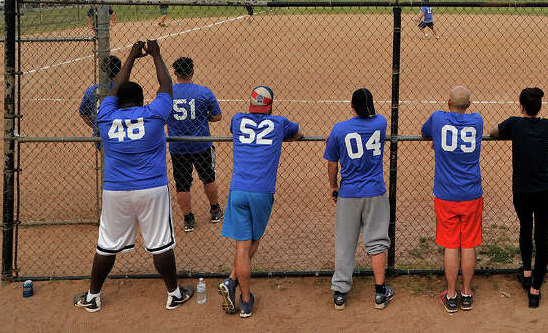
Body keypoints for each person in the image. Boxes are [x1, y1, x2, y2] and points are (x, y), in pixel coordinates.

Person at [74, 40, 194, 313]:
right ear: (142, 101)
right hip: (151, 188)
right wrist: (156, 56)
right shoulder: (152, 115)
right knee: (160, 242)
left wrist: (129, 57)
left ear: (116, 101)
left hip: (115, 190)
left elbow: (113, 91)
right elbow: (166, 88)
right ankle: (174, 294)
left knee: (106, 244)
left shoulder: (105, 116)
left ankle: (92, 297)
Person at [218, 85, 303, 318]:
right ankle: (235, 287)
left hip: (238, 190)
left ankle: (243, 298)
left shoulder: (237, 119)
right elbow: (299, 133)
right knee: (252, 243)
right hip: (262, 192)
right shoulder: (279, 123)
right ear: (270, 105)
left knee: (242, 246)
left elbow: (233, 129)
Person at [490, 87, 548, 308]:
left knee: (525, 228)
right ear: (539, 107)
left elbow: (494, 132)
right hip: (545, 191)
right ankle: (535, 290)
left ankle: (526, 272)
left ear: (521, 106)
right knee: (541, 238)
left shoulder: (514, 123)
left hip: (522, 191)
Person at [324, 89, 394, 311]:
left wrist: (333, 185)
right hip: (375, 192)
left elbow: (332, 164)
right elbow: (376, 118)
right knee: (377, 241)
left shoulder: (339, 130)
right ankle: (380, 292)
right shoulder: (381, 123)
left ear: (351, 107)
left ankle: (340, 293)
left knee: (345, 242)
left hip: (349, 194)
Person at [421, 86, 484, 314]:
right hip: (471, 194)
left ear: (448, 103)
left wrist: (437, 140)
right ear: (469, 105)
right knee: (468, 243)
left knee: (450, 244)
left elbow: (424, 131)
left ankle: (450, 295)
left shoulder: (438, 118)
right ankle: (466, 294)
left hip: (446, 194)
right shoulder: (477, 121)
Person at [166, 57, 224, 233]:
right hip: (201, 145)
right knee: (208, 178)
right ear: (193, 71)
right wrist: (202, 118)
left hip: (178, 147)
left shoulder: (167, 94)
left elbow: (161, 115)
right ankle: (215, 210)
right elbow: (217, 116)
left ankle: (188, 219)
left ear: (175, 73)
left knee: (182, 184)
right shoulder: (204, 92)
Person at [78, 55, 122, 148]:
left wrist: (97, 126)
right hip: (122, 136)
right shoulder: (126, 88)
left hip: (100, 136)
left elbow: (83, 114)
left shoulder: (91, 90)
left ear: (102, 71)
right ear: (120, 69)